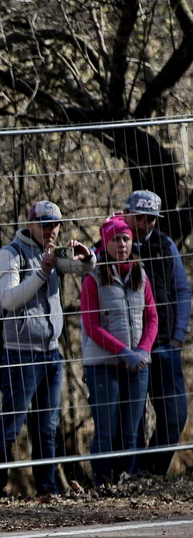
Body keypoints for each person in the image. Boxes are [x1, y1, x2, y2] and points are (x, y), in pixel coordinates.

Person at [0, 199, 93, 497]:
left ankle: (47, 489)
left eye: (55, 224)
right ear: (30, 224)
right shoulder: (10, 254)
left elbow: (82, 267)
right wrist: (42, 272)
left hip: (52, 353)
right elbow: (8, 300)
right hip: (20, 353)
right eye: (45, 224)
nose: (51, 230)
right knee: (12, 425)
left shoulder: (53, 253)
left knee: (47, 427)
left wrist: (88, 256)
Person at [80, 214, 157, 485]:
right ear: (105, 242)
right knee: (106, 431)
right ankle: (102, 483)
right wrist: (125, 352)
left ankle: (126, 481)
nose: (122, 244)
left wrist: (143, 351)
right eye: (115, 239)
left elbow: (152, 317)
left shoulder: (141, 274)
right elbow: (92, 326)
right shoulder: (93, 278)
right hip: (103, 366)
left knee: (131, 430)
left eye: (126, 239)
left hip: (138, 366)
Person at [121, 190, 191, 475]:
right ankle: (134, 475)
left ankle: (154, 471)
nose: (144, 224)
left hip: (164, 347)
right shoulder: (112, 245)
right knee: (133, 420)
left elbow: (182, 290)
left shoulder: (165, 245)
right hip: (129, 349)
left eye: (150, 219)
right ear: (126, 214)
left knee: (175, 416)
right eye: (139, 217)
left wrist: (177, 337)